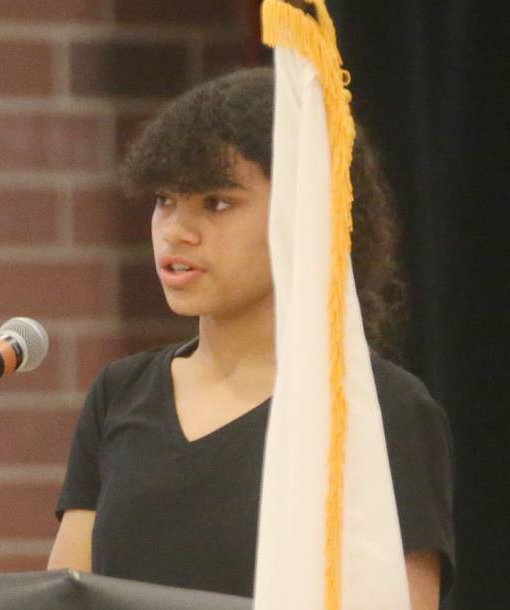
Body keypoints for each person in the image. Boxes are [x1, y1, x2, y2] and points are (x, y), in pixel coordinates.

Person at [47, 67, 454, 610]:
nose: (176, 232)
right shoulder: (120, 392)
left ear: (305, 213)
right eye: (165, 200)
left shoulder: (381, 409)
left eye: (215, 203)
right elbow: (65, 593)